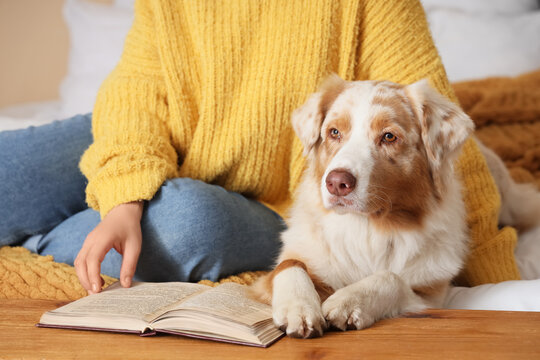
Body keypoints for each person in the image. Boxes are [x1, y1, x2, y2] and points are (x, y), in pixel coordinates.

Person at [0, 0, 520, 295]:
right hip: (147, 142)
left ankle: (38, 237)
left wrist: (494, 275)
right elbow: (136, 90)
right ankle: (90, 218)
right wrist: (121, 200)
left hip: (258, 201)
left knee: (188, 223)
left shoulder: (372, 5)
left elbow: (438, 154)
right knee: (10, 172)